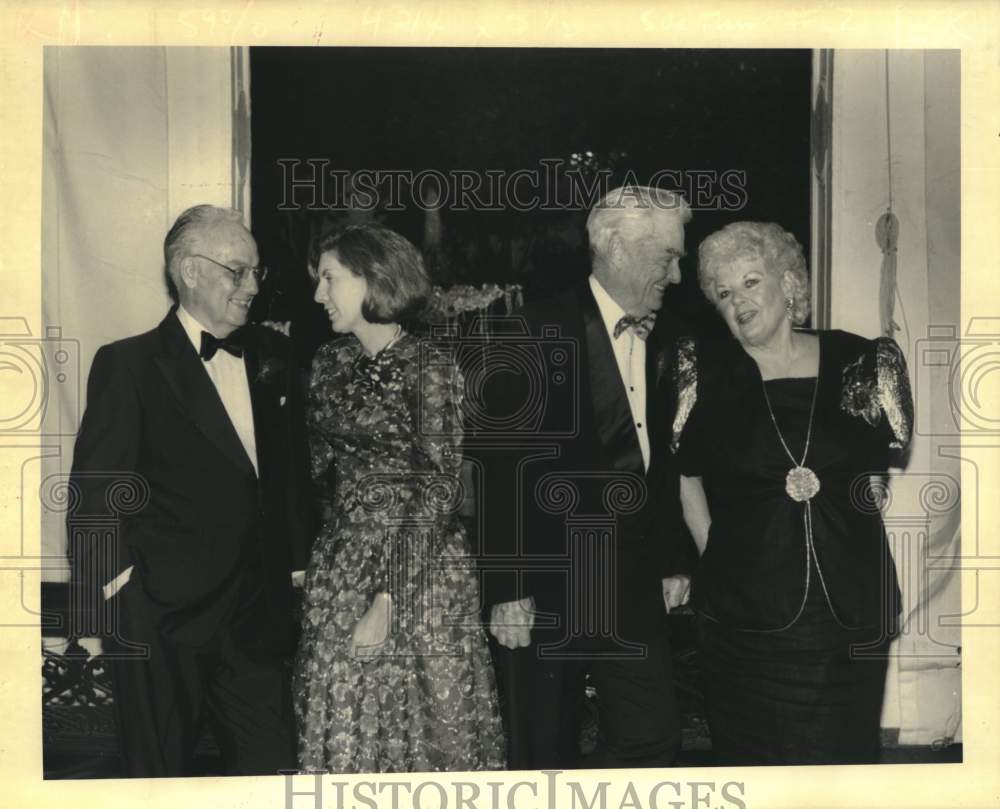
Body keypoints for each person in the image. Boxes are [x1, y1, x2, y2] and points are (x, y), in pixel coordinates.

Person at [67, 205, 314, 776]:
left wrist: (297, 567)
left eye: (256, 272)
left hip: (257, 622)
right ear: (189, 271)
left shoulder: (273, 357)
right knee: (159, 781)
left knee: (271, 773)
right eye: (237, 271)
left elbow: (289, 478)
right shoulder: (128, 365)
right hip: (161, 622)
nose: (252, 285)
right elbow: (95, 494)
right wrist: (119, 598)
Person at [674, 221, 913, 765]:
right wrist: (719, 550)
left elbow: (876, 458)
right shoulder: (702, 373)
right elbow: (684, 475)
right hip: (744, 621)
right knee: (757, 763)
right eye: (723, 293)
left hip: (846, 612)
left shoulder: (862, 362)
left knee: (841, 762)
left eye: (751, 283)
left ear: (788, 284)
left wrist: (864, 486)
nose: (738, 302)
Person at [478, 185, 695, 769]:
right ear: (619, 248)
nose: (677, 275)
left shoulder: (670, 338)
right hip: (545, 588)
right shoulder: (529, 331)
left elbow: (665, 462)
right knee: (541, 752)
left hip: (634, 584)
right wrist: (507, 590)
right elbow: (498, 472)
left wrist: (673, 558)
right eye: (667, 257)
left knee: (653, 738)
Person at [294, 223, 505, 773]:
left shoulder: (429, 368)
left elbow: (439, 491)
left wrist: (387, 600)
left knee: (429, 727)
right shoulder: (327, 364)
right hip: (341, 567)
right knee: (346, 727)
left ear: (372, 278)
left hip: (422, 570)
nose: (319, 295)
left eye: (329, 278)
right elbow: (320, 474)